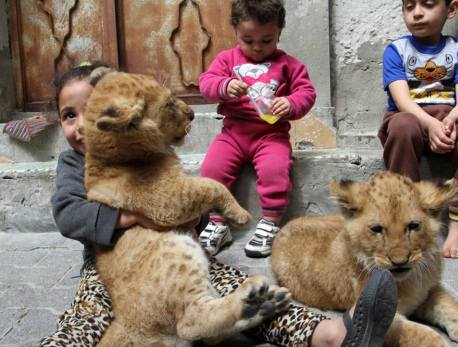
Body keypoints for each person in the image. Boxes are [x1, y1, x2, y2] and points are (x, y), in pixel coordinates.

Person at [39, 62, 398, 347]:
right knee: (90, 314)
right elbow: (69, 213)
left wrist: (189, 214)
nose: (82, 125)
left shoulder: (149, 151)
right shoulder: (75, 165)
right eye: (70, 115)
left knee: (247, 292)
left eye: (91, 110)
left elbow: (182, 202)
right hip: (114, 266)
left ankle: (327, 335)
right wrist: (135, 216)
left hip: (177, 256)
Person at [198, 0, 316, 258]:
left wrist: (290, 102)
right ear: (235, 32)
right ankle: (218, 224)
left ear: (279, 33)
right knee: (211, 170)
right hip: (233, 134)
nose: (258, 48)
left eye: (267, 40)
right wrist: (223, 86)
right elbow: (206, 84)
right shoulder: (226, 59)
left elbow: (306, 92)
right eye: (248, 40)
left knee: (276, 171)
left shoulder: (288, 64)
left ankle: (270, 223)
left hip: (271, 135)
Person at [378, 0, 458, 259]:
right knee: (403, 126)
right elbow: (402, 100)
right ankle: (406, 220)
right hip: (408, 117)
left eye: (428, 5)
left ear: (451, 10)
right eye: (409, 7)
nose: (417, 13)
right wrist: (429, 124)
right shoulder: (396, 50)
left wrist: (450, 120)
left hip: (448, 118)